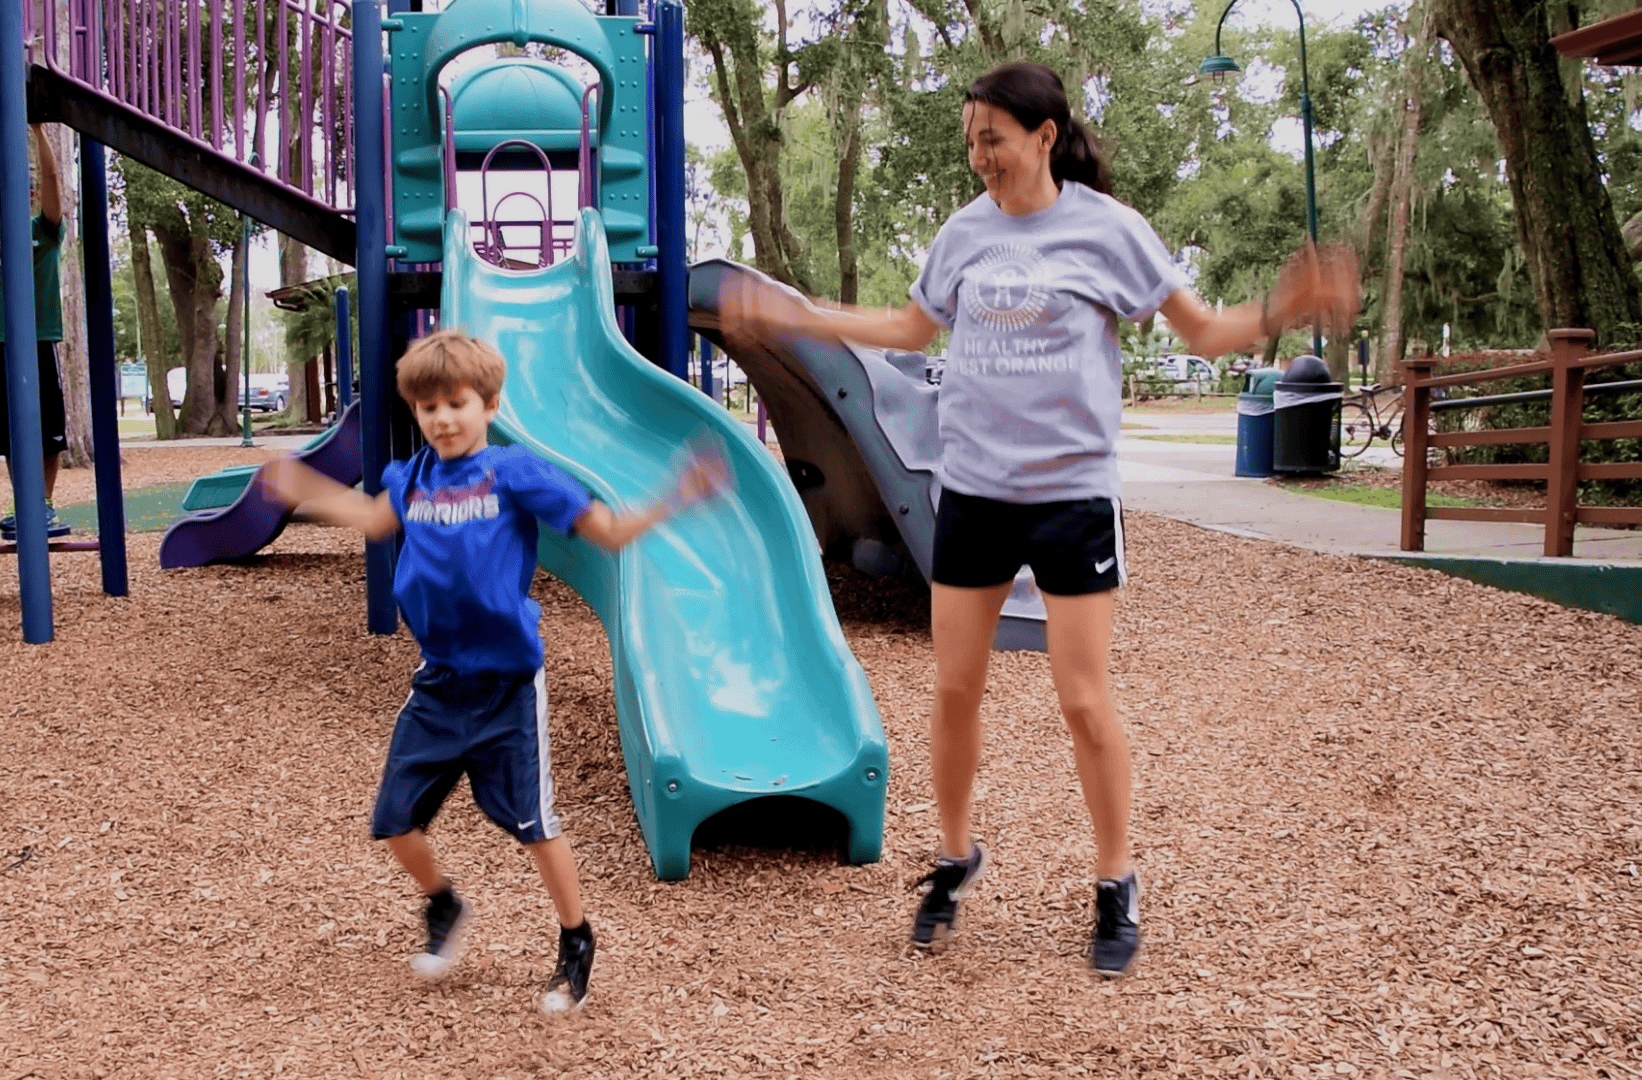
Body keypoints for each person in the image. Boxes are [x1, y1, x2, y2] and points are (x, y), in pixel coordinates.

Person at [719, 62, 1358, 977]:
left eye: (995, 138)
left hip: (1070, 496)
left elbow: (1202, 332)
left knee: (1083, 698)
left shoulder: (1107, 230)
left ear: (1045, 136)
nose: (980, 156)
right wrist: (798, 314)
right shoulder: (965, 234)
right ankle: (952, 857)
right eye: (972, 140)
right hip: (973, 490)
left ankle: (1115, 880)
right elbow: (909, 331)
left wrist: (1281, 308)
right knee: (952, 690)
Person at [258, 329, 729, 1015]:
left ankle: (575, 939)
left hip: (508, 685)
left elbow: (608, 532)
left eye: (457, 403)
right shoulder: (411, 478)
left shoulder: (514, 474)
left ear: (490, 404)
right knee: (395, 821)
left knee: (534, 824)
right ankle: (445, 905)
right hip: (440, 683)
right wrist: (301, 485)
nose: (443, 418)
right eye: (429, 408)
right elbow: (369, 518)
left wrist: (675, 496)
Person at [0, 123, 68, 537]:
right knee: (5, 428)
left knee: (47, 428)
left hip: (37, 340)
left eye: (26, 189)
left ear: (33, 196)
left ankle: (45, 503)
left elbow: (52, 178)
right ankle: (24, 504)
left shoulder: (47, 230)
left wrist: (37, 129)